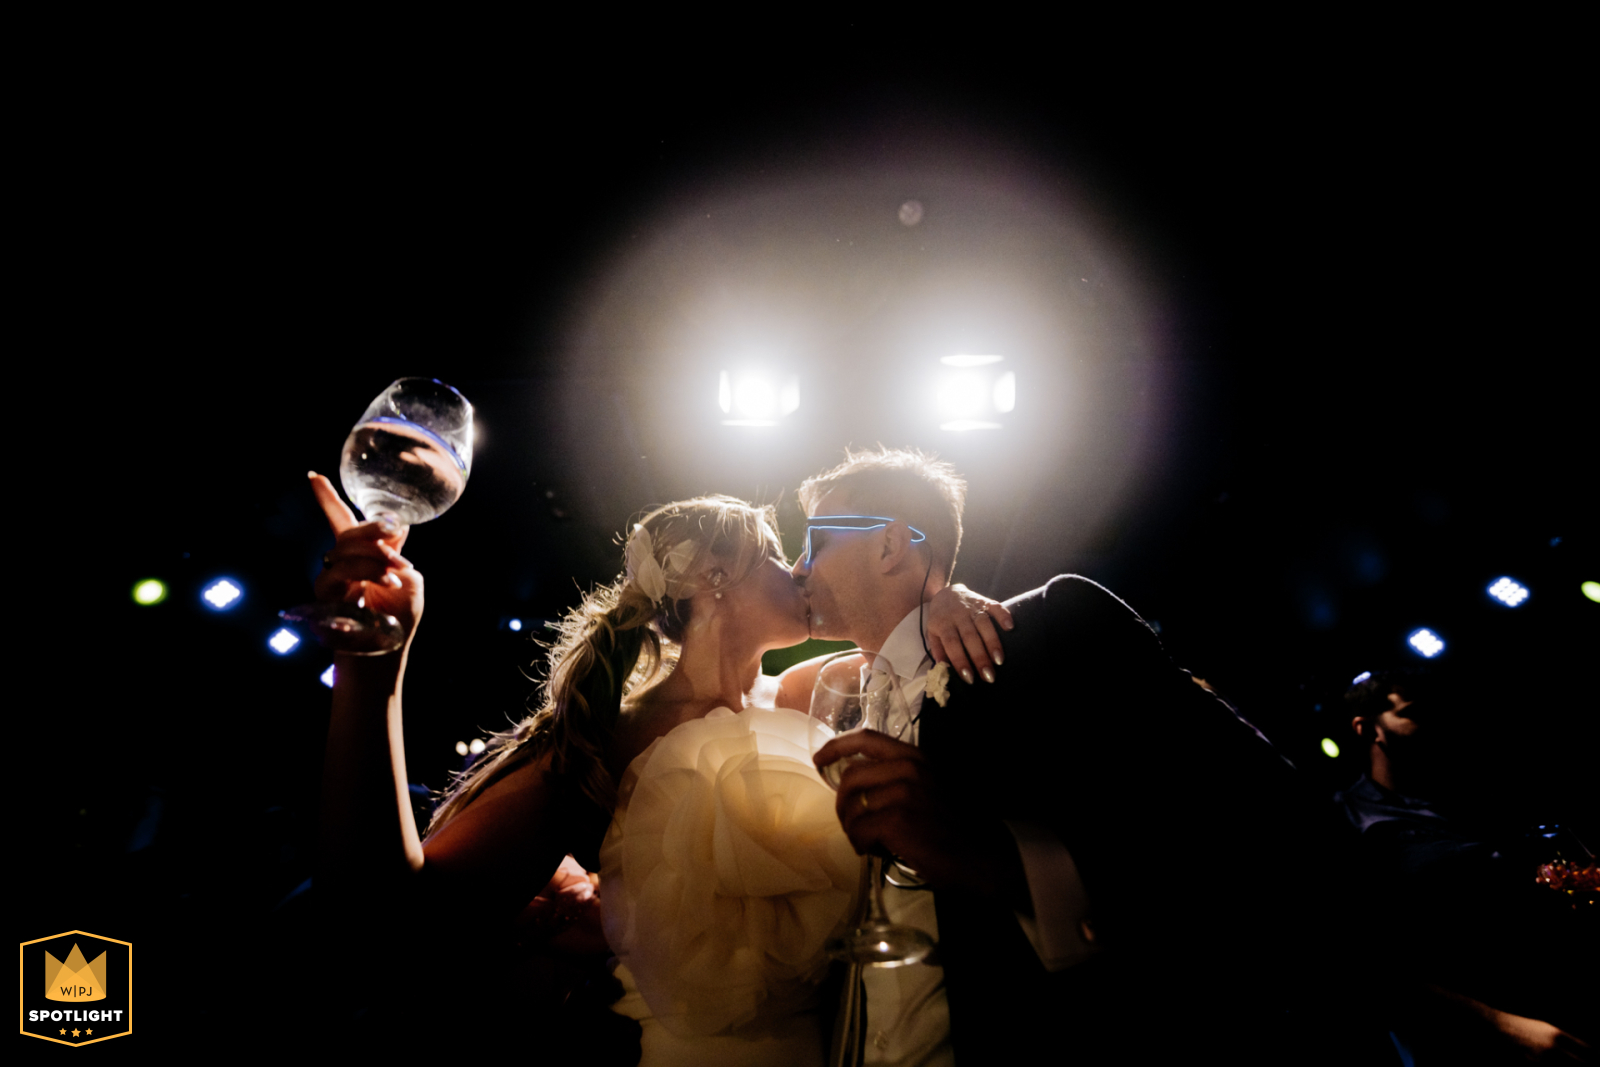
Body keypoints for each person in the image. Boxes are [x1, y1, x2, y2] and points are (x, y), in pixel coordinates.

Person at [308, 474, 1001, 1065]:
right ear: (716, 575)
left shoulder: (808, 692)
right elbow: (395, 911)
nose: (798, 568)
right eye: (776, 553)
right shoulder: (611, 740)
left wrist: (946, 596)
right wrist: (374, 670)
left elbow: (901, 646)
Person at [781, 447, 1350, 1066]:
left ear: (891, 545)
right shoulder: (825, 696)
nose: (796, 567)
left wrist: (995, 860)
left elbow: (1282, 823)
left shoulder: (1050, 633)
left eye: (816, 542)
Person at [1337, 671, 1595, 1063]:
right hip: (1491, 1039)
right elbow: (1364, 960)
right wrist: (1500, 1026)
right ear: (1368, 728)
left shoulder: (1472, 790)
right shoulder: (1349, 822)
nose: (1430, 721)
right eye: (1411, 712)